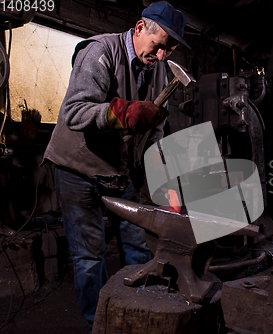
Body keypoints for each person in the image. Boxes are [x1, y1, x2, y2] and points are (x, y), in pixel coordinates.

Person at [42, 1, 190, 329]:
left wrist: (164, 180)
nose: (163, 55)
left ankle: (137, 315)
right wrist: (120, 112)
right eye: (159, 45)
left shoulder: (159, 70)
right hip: (77, 169)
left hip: (120, 171)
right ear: (139, 28)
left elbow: (155, 133)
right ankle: (102, 324)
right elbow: (74, 112)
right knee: (89, 257)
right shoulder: (99, 52)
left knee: (137, 245)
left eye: (170, 49)